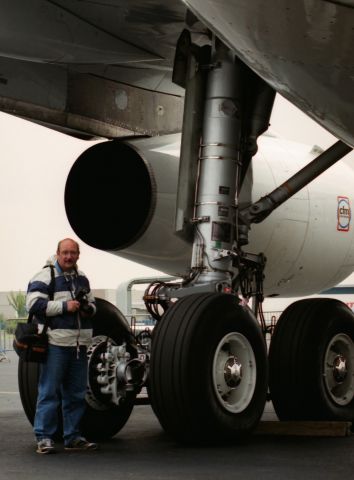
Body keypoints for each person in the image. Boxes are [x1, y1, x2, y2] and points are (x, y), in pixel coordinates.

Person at [26, 238, 98, 454]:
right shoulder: (45, 275)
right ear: (57, 253)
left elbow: (93, 305)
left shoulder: (82, 278)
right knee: (49, 393)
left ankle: (73, 437)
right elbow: (33, 303)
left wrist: (88, 310)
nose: (68, 257)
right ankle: (44, 437)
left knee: (76, 394)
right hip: (56, 343)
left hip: (79, 345)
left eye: (72, 253)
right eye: (64, 252)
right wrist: (65, 306)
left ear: (78, 255)